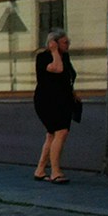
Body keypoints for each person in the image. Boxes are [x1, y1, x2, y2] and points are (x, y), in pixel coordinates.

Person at [32, 28, 77, 183]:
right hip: (47, 101)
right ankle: (55, 172)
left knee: (52, 134)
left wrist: (73, 94)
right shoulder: (43, 57)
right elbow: (57, 69)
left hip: (63, 100)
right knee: (61, 132)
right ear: (54, 43)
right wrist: (54, 52)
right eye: (65, 42)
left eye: (68, 42)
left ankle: (40, 170)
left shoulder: (65, 56)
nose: (68, 45)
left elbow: (67, 76)